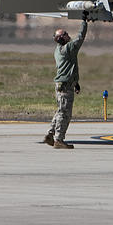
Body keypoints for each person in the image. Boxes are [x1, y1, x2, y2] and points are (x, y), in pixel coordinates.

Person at [43, 13, 89, 149]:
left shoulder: (58, 51)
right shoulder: (68, 49)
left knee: (60, 111)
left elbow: (68, 68)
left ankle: (50, 134)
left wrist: (75, 82)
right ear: (61, 38)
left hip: (63, 84)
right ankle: (59, 139)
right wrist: (84, 22)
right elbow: (80, 38)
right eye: (66, 34)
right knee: (65, 113)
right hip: (65, 86)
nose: (68, 35)